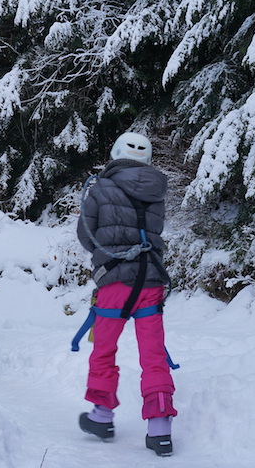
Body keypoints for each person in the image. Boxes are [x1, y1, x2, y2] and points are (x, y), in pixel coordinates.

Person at [76, 131, 176, 457]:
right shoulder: (157, 189)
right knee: (153, 354)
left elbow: (86, 234)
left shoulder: (101, 187)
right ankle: (160, 428)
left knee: (104, 349)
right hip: (150, 280)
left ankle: (102, 416)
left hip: (115, 280)